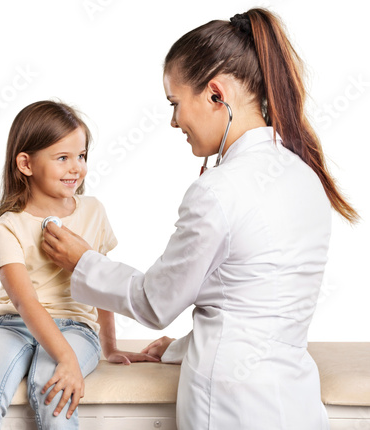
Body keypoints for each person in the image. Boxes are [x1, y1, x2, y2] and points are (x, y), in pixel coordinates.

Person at [41, 8, 360, 430]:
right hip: (293, 402)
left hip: (228, 405)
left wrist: (82, 261)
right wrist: (183, 347)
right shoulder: (304, 176)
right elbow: (257, 301)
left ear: (215, 93)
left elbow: (156, 301)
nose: (174, 122)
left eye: (175, 104)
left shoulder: (219, 190)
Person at [0, 100, 157, 430]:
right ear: (25, 163)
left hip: (76, 327)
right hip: (12, 324)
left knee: (51, 387)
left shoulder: (93, 211)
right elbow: (25, 301)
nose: (76, 167)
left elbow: (101, 283)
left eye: (81, 156)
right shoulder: (8, 226)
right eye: (62, 157)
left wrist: (108, 346)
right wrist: (64, 356)